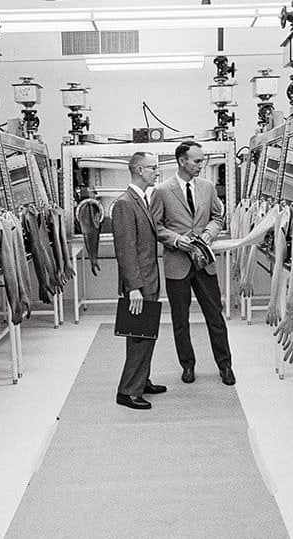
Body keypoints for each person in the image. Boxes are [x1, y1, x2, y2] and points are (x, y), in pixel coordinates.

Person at [150, 141, 235, 386]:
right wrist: (177, 241)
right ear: (181, 161)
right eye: (197, 161)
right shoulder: (162, 190)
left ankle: (225, 366)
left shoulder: (207, 188)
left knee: (215, 316)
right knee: (180, 319)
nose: (201, 165)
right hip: (178, 263)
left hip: (204, 262)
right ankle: (187, 365)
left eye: (202, 160)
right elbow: (156, 226)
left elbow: (218, 216)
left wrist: (209, 233)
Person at [111, 152, 166, 410]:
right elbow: (125, 249)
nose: (156, 172)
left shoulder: (141, 199)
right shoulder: (125, 203)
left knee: (147, 333)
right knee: (139, 336)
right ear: (140, 170)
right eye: (153, 168)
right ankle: (128, 391)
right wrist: (133, 287)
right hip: (140, 284)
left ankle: (141, 380)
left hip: (148, 280)